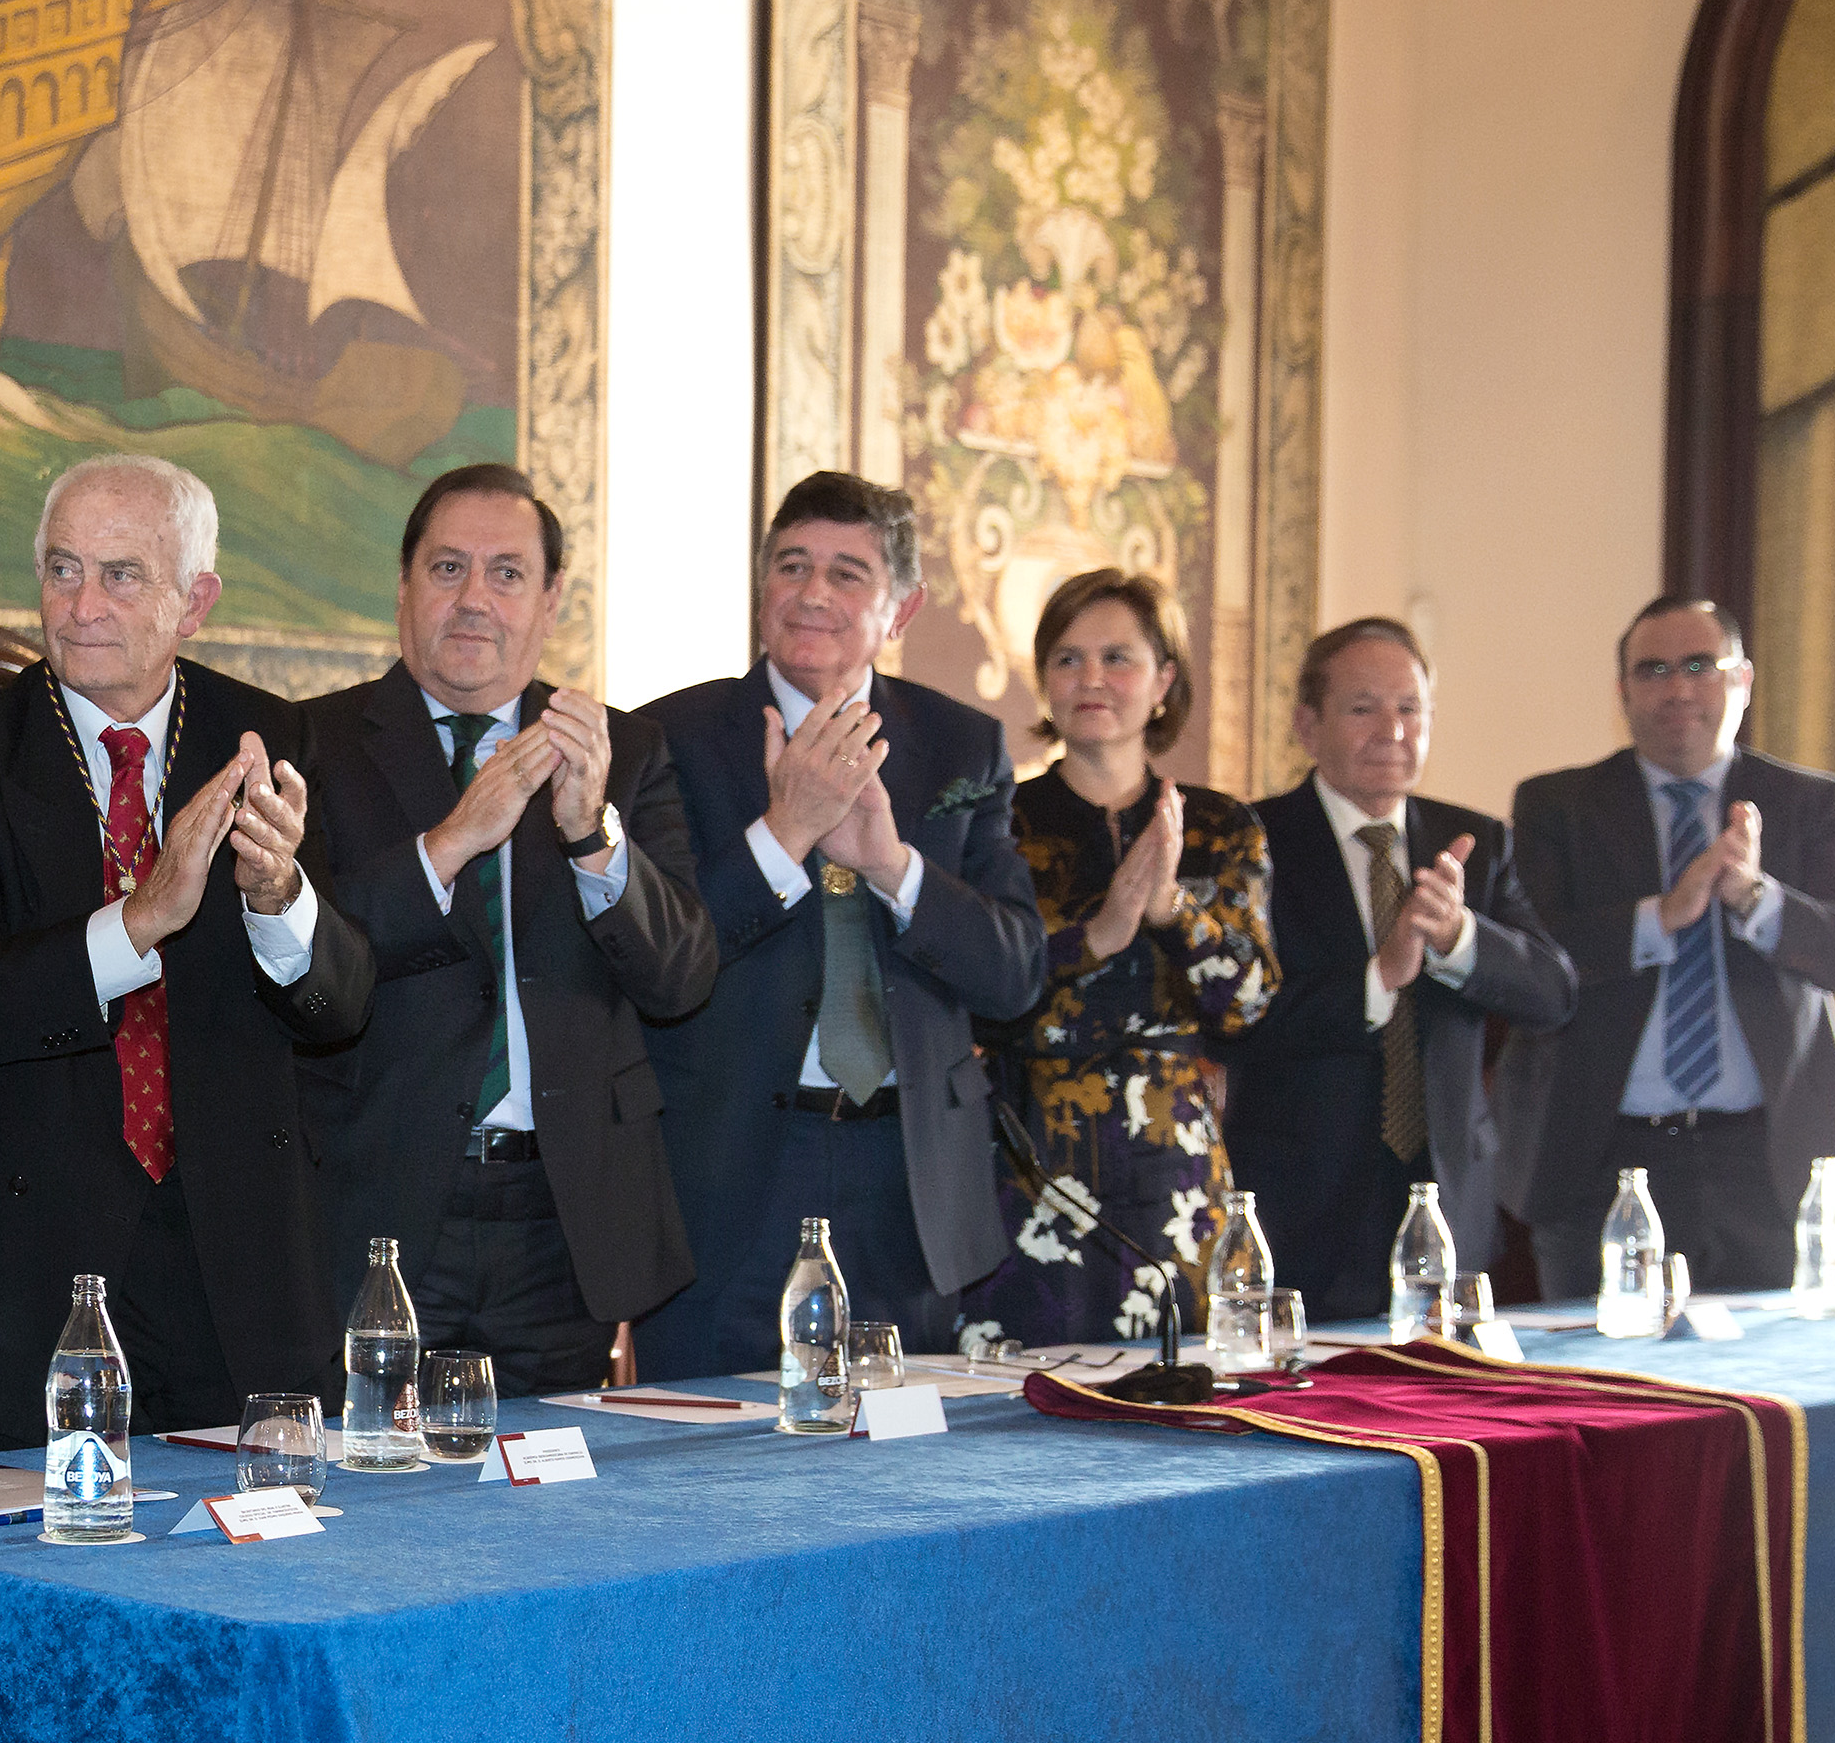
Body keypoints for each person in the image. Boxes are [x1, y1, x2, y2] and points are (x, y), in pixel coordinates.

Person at [0, 453, 372, 1452]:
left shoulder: (268, 738)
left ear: (195, 602)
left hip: (236, 1256)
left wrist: (279, 898)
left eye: (121, 574)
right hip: (29, 1258)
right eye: (62, 570)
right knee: (38, 1584)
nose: (82, 604)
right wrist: (139, 922)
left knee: (239, 1579)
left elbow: (341, 1005)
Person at [293, 466, 717, 1394]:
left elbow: (682, 977)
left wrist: (588, 835)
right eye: (447, 569)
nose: (473, 599)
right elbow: (302, 969)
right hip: (382, 1203)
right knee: (375, 1491)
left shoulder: (623, 751)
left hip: (562, 1217)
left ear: (552, 599)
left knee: (546, 1506)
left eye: (507, 573)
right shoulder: (313, 745)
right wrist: (446, 845)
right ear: (402, 586)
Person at [635, 471, 1046, 1370]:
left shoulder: (961, 746)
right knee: (699, 1481)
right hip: (732, 1171)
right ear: (760, 587)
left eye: (848, 573)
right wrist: (782, 838)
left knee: (891, 1484)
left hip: (908, 1177)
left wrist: (892, 866)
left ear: (902, 609)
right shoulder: (667, 738)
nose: (812, 593)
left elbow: (1014, 974)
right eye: (791, 565)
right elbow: (655, 958)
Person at [1507, 596, 1835, 1294]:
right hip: (1604, 1164)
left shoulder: (1807, 801)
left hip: (1767, 1165)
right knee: (1608, 1395)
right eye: (1651, 670)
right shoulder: (1556, 806)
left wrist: (1753, 896)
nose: (1676, 688)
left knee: (1773, 1394)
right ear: (1622, 692)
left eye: (1697, 667)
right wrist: (1660, 916)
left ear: (1740, 681)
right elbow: (1532, 960)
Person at [1213, 619, 1575, 1327]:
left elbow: (1552, 992)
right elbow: (1230, 1019)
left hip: (1448, 1205)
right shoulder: (1249, 840)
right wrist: (1376, 978)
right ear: (1306, 726)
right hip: (1302, 1205)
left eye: (1409, 708)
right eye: (1363, 707)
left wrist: (1460, 938)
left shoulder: (1476, 842)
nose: (1391, 729)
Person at [958, 569, 1278, 1351]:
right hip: (1029, 1156)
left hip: (1174, 1162)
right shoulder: (996, 824)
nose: (1091, 679)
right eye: (1068, 660)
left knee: (1182, 1399)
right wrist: (1094, 935)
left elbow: (1245, 1000)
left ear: (1164, 679)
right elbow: (977, 996)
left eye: (1117, 658)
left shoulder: (1217, 825)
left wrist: (1170, 911)